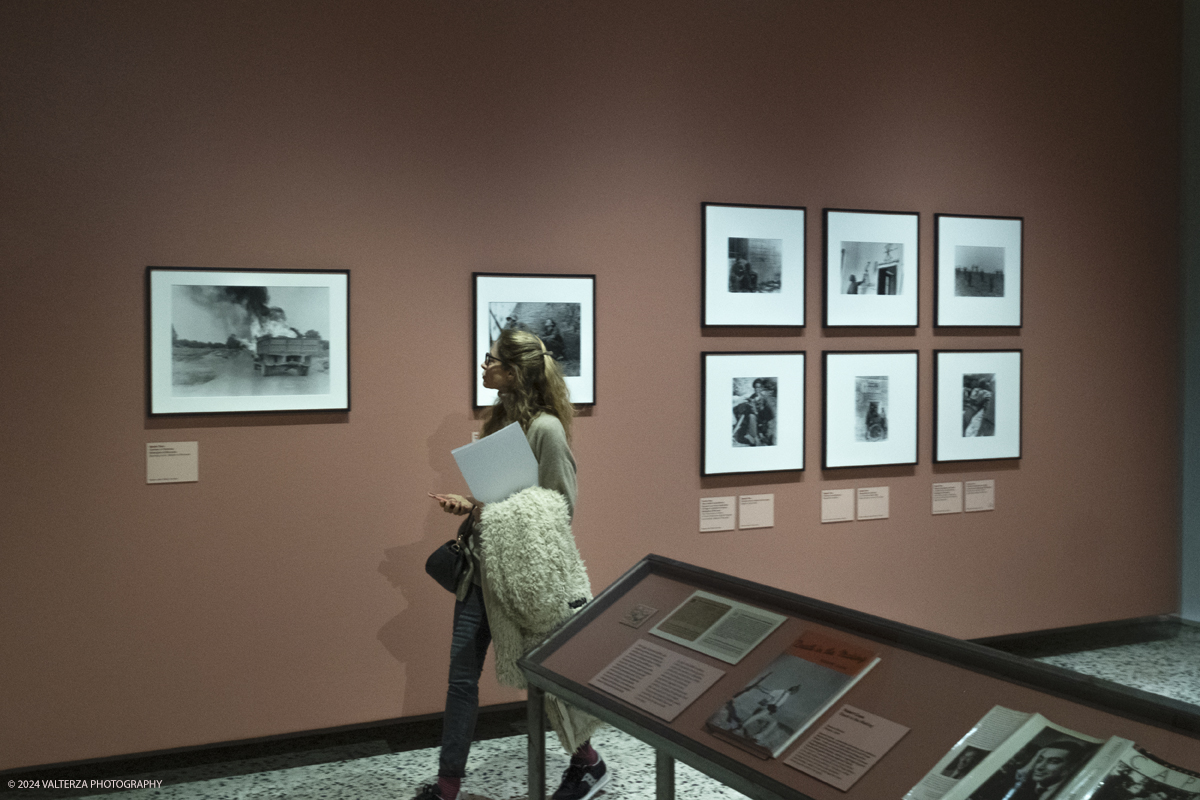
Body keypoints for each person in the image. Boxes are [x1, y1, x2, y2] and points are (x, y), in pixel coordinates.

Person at [416, 328, 607, 800]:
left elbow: (559, 507)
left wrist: (487, 511)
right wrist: (470, 504)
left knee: (544, 678)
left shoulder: (546, 429)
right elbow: (502, 497)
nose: (484, 367)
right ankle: (447, 787)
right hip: (481, 572)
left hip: (521, 579)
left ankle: (589, 762)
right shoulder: (498, 421)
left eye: (490, 360)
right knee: (461, 679)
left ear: (514, 371)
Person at [969, 740, 1089, 800]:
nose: (1040, 767)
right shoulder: (1025, 788)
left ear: (1071, 767)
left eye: (1053, 761)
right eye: (1039, 759)